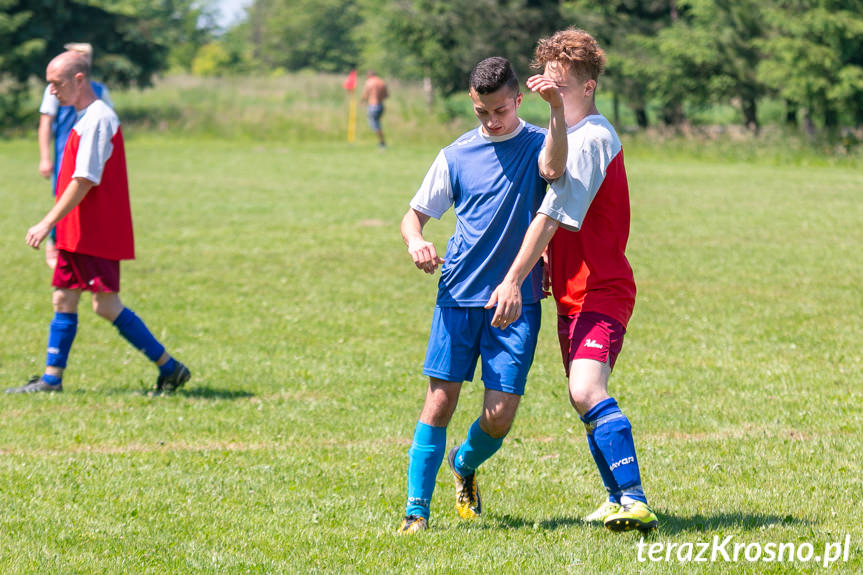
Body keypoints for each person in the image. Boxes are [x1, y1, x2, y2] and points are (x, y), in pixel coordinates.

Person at [487, 29, 658, 533]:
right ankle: (615, 498)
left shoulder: (595, 138)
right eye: (546, 87)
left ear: (588, 87)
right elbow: (548, 167)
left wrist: (513, 277)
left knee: (586, 389)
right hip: (572, 291)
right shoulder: (567, 134)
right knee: (581, 394)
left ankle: (635, 498)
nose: (550, 96)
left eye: (560, 89)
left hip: (601, 289)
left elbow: (552, 214)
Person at [397, 56, 566, 534]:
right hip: (456, 294)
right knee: (439, 403)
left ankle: (463, 462)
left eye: (500, 111)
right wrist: (417, 242)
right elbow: (413, 216)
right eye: (481, 112)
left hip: (516, 300)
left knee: (499, 417)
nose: (492, 121)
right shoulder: (455, 154)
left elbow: (557, 186)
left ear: (518, 99)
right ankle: (416, 511)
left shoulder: (541, 144)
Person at [6, 51, 190, 395]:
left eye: (56, 84)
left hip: (95, 232)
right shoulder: (81, 116)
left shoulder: (98, 119)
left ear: (79, 80)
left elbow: (84, 179)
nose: (51, 92)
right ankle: (51, 379)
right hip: (76, 231)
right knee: (63, 299)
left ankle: (170, 368)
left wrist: (47, 223)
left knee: (106, 306)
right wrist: (58, 230)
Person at [38, 43, 113, 269]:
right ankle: (55, 243)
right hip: (64, 155)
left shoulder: (99, 100)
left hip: (88, 158)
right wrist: (45, 156)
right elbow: (46, 122)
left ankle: (70, 245)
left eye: (86, 56)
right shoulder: (58, 87)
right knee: (61, 198)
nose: (53, 89)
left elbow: (109, 127)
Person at [360, 70, 388, 148]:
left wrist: (362, 102)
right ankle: (381, 142)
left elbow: (365, 94)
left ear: (368, 75)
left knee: (375, 125)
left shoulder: (369, 82)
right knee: (377, 124)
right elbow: (386, 95)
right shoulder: (382, 82)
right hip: (381, 106)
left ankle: (382, 143)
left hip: (373, 106)